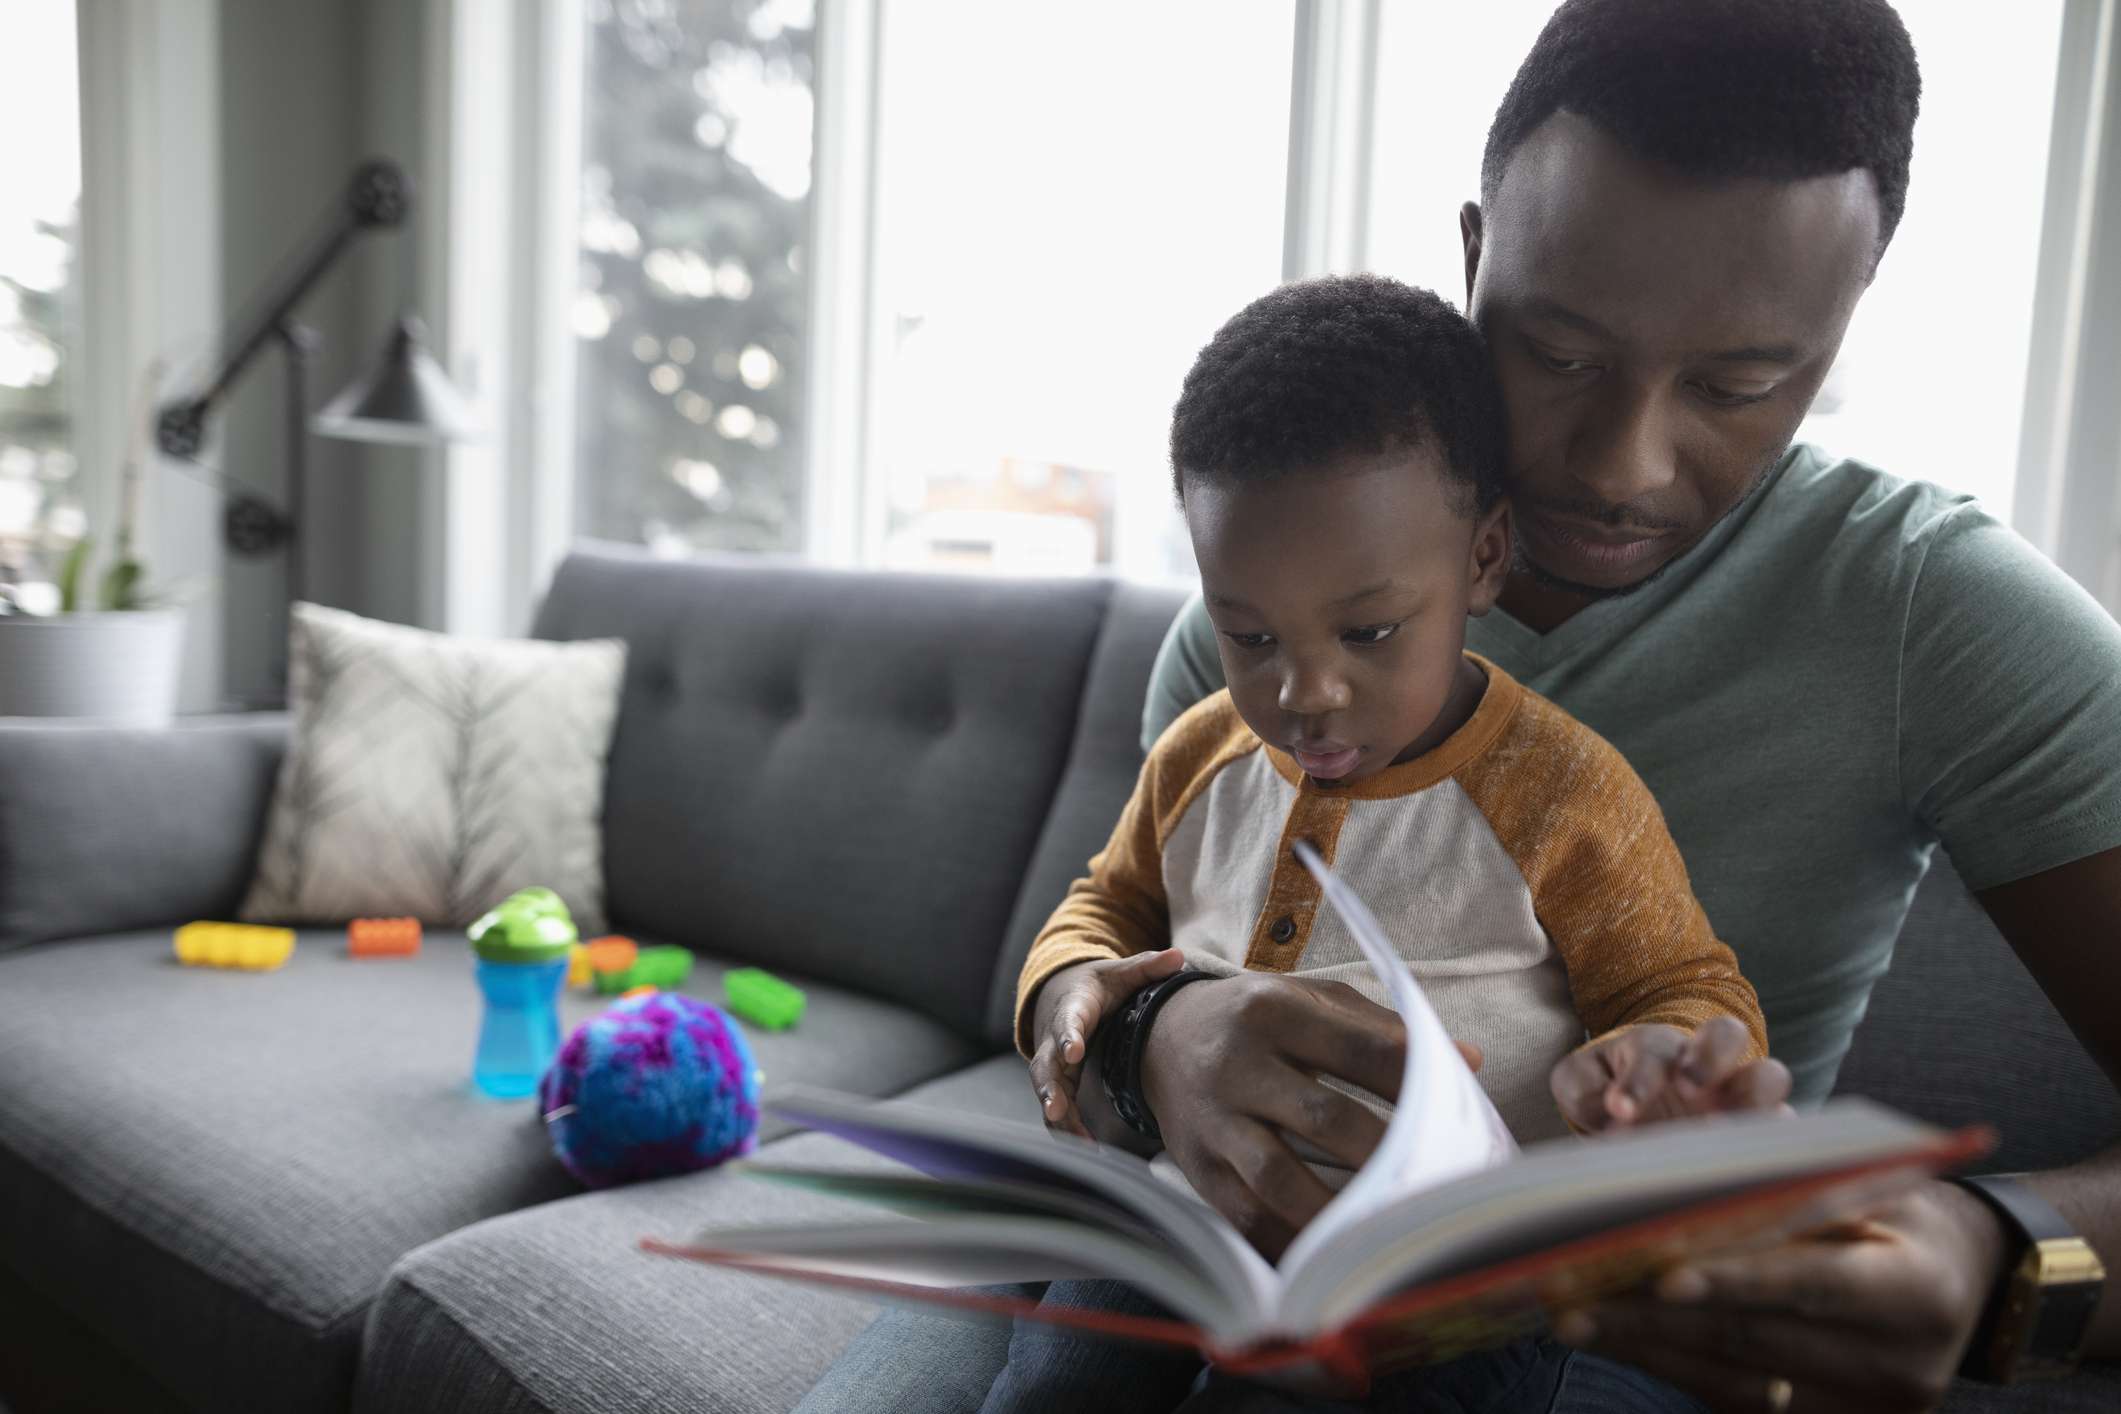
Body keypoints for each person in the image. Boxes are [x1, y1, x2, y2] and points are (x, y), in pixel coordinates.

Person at [802, 0, 2121, 1409]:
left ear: (1843, 323)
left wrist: (1998, 1254)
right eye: (1557, 353)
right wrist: (1140, 1036)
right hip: (1180, 1238)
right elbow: (1128, 935)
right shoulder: (1258, 626)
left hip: (1586, 1317)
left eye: (1741, 383)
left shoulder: (1935, 612)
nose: (1621, 464)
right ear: (1474, 252)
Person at [987, 273, 1786, 1414]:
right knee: (1052, 1383)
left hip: (1446, 1274)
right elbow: (1105, 908)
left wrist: (1652, 1060)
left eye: (1368, 630)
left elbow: (1685, 982)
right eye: (1248, 633)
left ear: (1483, 557)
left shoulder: (1561, 792)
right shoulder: (1199, 754)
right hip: (1188, 1206)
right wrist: (1064, 990)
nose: (1304, 692)